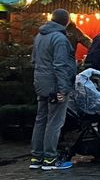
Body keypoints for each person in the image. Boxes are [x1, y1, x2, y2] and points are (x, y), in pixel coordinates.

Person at [29, 9, 77, 171]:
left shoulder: (39, 36)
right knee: (54, 122)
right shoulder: (60, 39)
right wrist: (63, 89)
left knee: (40, 120)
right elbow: (60, 65)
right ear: (67, 21)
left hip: (41, 84)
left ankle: (36, 157)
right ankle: (50, 158)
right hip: (55, 86)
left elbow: (34, 61)